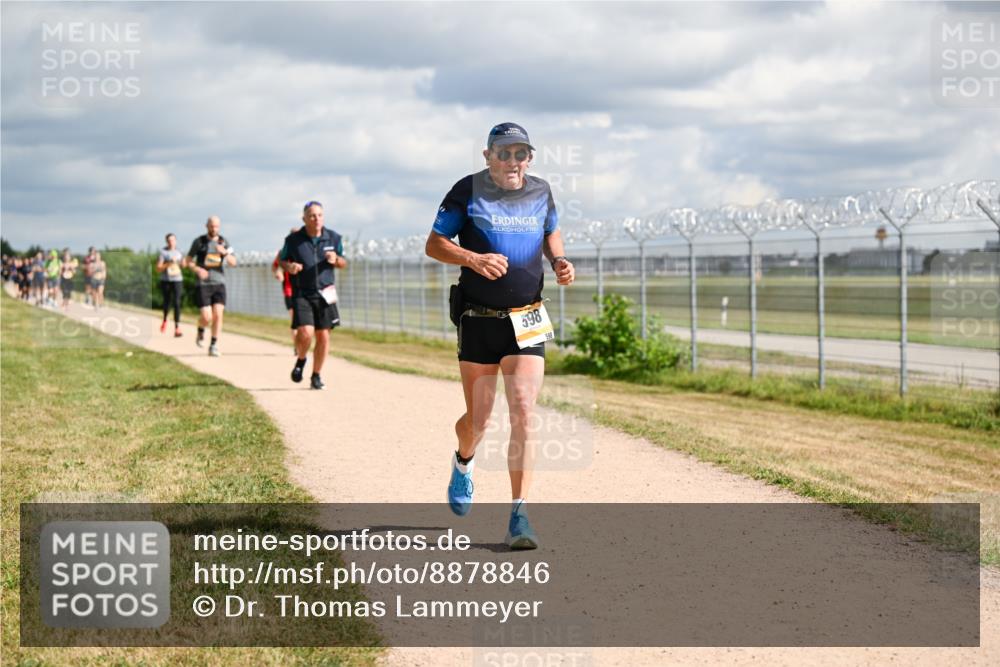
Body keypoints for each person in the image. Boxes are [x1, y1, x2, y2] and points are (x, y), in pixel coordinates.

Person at [425, 122, 575, 550]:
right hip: (478, 319)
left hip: (527, 318)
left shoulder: (541, 191)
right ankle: (464, 460)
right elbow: (434, 245)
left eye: (520, 153)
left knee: (525, 409)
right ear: (487, 155)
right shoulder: (466, 191)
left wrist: (560, 259)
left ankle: (519, 514)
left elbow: (551, 231)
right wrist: (472, 258)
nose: (513, 161)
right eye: (504, 153)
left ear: (530, 158)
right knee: (479, 420)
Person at [280, 202, 346, 390]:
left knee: (324, 336)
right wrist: (289, 267)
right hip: (302, 292)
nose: (316, 219)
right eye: (311, 215)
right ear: (304, 218)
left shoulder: (333, 238)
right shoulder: (293, 240)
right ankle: (301, 360)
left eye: (319, 215)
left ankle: (316, 375)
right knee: (306, 332)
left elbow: (343, 261)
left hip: (326, 293)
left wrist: (336, 260)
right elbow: (282, 260)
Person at [185, 216, 236, 357]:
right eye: (211, 226)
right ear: (206, 226)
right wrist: (198, 270)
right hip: (203, 284)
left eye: (216, 226)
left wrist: (225, 253)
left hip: (219, 282)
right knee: (207, 317)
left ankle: (213, 344)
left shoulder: (224, 242)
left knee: (218, 314)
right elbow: (188, 261)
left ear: (219, 227)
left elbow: (233, 262)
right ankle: (201, 329)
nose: (214, 229)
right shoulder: (199, 242)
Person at [272, 227, 300, 350]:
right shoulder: (283, 252)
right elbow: (275, 267)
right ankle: (297, 346)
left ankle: (300, 343)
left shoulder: (305, 250)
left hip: (304, 290)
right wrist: (278, 273)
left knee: (304, 320)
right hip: (289, 290)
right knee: (295, 318)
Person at [156, 233, 185, 337]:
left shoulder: (179, 252)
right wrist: (168, 263)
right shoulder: (163, 252)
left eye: (173, 240)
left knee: (177, 302)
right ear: (166, 242)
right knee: (167, 302)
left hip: (177, 279)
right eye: (169, 240)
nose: (171, 242)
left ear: (176, 241)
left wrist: (182, 262)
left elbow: (184, 265)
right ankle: (165, 319)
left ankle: (177, 327)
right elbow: (158, 268)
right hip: (166, 280)